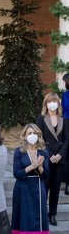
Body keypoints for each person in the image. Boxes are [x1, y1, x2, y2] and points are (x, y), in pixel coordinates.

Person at [11, 123, 49, 234]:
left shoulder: (43, 152)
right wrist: (32, 166)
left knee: (36, 222)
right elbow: (16, 173)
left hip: (38, 188)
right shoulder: (18, 152)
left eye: (34, 133)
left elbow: (46, 175)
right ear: (24, 136)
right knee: (24, 221)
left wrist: (40, 168)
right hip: (22, 188)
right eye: (29, 133)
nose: (31, 135)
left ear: (38, 135)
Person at [37, 92, 69, 226]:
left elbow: (67, 139)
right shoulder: (41, 118)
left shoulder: (63, 119)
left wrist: (60, 155)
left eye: (54, 101)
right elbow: (40, 138)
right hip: (46, 157)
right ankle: (42, 213)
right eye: (49, 101)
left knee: (56, 188)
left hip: (60, 158)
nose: (52, 104)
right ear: (46, 103)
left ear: (58, 103)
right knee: (44, 188)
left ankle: (53, 214)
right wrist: (49, 155)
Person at [61, 73, 69, 195]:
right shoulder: (65, 94)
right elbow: (64, 108)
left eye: (64, 81)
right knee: (66, 152)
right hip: (66, 123)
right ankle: (66, 183)